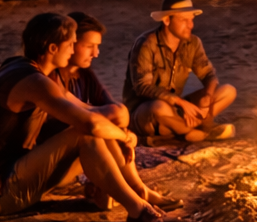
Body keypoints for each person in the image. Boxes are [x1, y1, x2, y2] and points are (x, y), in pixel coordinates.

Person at [0, 12, 173, 222]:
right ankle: (137, 209)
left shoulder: (25, 69)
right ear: (53, 48)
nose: (72, 50)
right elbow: (89, 124)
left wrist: (116, 125)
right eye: (70, 44)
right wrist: (125, 135)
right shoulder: (34, 82)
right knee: (85, 133)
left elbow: (89, 112)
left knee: (96, 130)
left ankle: (135, 190)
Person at [42, 11, 170, 209]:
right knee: (106, 124)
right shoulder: (50, 79)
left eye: (97, 46)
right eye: (89, 46)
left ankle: (134, 187)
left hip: (81, 152)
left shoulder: (84, 75)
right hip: (49, 163)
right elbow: (107, 116)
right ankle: (134, 192)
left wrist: (122, 133)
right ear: (70, 42)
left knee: (112, 122)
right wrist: (121, 135)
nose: (96, 53)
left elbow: (114, 111)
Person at [124, 0, 237, 144]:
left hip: (174, 110)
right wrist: (181, 103)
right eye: (184, 20)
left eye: (191, 19)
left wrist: (207, 96)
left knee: (228, 91)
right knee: (159, 108)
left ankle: (183, 129)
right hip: (145, 111)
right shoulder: (146, 44)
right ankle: (196, 133)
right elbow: (143, 87)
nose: (191, 25)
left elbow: (209, 74)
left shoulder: (193, 43)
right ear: (167, 20)